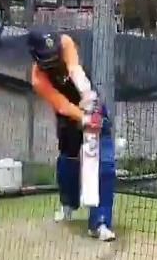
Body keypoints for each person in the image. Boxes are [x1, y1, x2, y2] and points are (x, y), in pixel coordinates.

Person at [28, 29, 116, 242]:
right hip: (68, 115)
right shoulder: (38, 79)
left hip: (89, 102)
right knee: (69, 161)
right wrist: (81, 118)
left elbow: (75, 70)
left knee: (103, 164)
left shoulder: (65, 42)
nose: (54, 59)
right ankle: (68, 203)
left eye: (55, 54)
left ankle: (100, 222)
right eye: (48, 58)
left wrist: (88, 98)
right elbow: (61, 104)